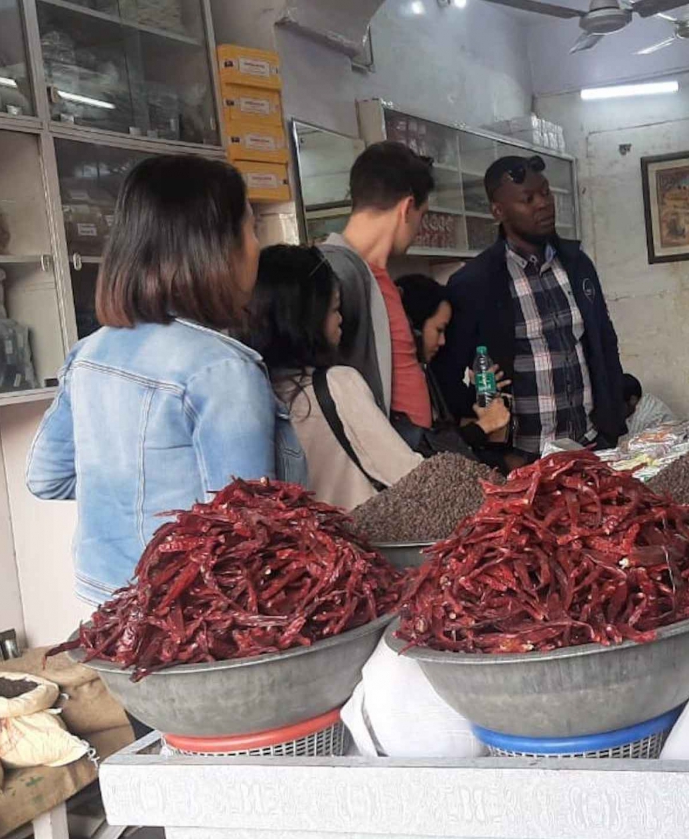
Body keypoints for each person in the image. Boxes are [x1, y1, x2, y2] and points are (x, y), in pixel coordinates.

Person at [27, 154, 303, 607]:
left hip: (106, 611)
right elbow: (246, 535)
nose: (258, 246)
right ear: (215, 248)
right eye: (252, 229)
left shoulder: (91, 352)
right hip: (191, 621)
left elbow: (46, 478)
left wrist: (128, 486)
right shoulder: (222, 370)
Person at [439, 154, 627, 462]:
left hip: (591, 446)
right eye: (528, 199)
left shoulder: (577, 265)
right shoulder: (474, 283)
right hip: (521, 458)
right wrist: (483, 428)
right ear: (498, 211)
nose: (543, 204)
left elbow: (605, 343)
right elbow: (448, 373)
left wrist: (613, 423)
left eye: (545, 192)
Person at [251, 244, 422, 511]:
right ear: (306, 318)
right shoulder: (337, 384)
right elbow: (408, 475)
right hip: (352, 545)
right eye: (334, 309)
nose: (341, 319)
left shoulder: (253, 390)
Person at [320, 141, 435, 435]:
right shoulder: (334, 274)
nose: (419, 230)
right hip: (377, 464)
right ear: (407, 208)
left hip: (410, 458)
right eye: (422, 215)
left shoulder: (375, 277)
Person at [395, 273, 513, 462]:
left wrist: (477, 392)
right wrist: (484, 426)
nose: (442, 341)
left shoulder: (427, 373)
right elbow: (428, 451)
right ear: (413, 326)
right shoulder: (400, 385)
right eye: (438, 330)